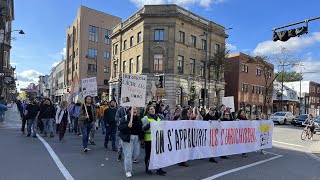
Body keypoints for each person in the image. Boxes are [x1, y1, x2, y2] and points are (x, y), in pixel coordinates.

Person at [142, 105, 167, 176]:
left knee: (158, 154)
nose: (152, 110)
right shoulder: (145, 118)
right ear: (148, 111)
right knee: (148, 154)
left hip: (158, 138)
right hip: (149, 139)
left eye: (153, 109)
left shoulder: (158, 117)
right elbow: (144, 129)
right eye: (150, 109)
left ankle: (159, 169)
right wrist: (148, 125)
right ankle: (147, 168)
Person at [118, 107, 143, 178]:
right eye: (133, 109)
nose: (135, 110)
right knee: (128, 155)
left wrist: (141, 138)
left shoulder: (138, 118)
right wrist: (127, 126)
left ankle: (128, 161)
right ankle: (128, 170)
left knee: (136, 154)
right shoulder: (125, 118)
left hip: (136, 138)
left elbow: (140, 129)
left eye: (136, 109)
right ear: (129, 110)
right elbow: (120, 127)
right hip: (127, 138)